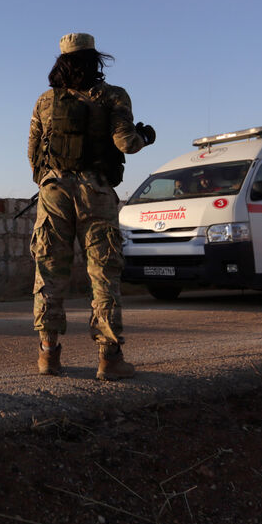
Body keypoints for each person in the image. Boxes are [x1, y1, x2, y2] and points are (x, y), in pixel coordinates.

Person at [27, 32, 155, 380]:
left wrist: (49, 180)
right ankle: (109, 359)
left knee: (49, 272)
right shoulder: (113, 96)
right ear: (94, 59)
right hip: (95, 192)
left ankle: (48, 355)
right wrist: (145, 136)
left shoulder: (44, 101)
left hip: (53, 192)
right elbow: (125, 143)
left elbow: (33, 151)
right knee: (103, 273)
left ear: (61, 62)